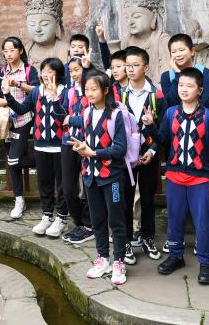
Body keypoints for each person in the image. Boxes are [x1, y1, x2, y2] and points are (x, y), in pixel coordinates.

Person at [144, 67, 209, 285]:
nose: (184, 89)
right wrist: (151, 126)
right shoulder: (171, 113)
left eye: (189, 86)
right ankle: (176, 256)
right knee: (175, 218)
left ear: (200, 90)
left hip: (201, 178)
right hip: (175, 175)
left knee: (202, 222)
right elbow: (162, 140)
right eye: (181, 85)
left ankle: (206, 262)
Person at [0, 57, 68, 238]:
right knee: (44, 182)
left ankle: (61, 218)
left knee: (61, 184)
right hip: (41, 144)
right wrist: (7, 94)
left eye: (50, 71)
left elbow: (64, 118)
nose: (45, 75)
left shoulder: (66, 93)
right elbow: (21, 109)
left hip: (60, 146)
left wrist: (55, 98)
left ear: (58, 74)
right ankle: (47, 215)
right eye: (43, 71)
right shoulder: (36, 92)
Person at [71, 71, 130, 286]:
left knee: (116, 220)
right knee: (97, 220)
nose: (89, 93)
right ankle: (103, 258)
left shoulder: (117, 115)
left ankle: (119, 261)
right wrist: (81, 146)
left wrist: (93, 153)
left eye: (94, 89)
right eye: (86, 89)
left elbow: (120, 148)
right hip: (91, 176)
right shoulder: (87, 112)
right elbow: (88, 140)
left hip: (112, 176)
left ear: (106, 90)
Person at [121, 46, 166, 263]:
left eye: (135, 65)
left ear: (146, 67)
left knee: (148, 199)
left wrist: (152, 150)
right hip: (125, 158)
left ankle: (148, 237)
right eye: (128, 65)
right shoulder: (119, 95)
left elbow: (164, 132)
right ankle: (126, 241)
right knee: (125, 199)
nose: (130, 69)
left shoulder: (157, 96)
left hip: (148, 155)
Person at [0, 37, 40, 220]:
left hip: (24, 120)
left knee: (13, 160)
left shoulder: (29, 70)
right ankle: (19, 199)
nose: (8, 54)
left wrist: (18, 84)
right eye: (5, 51)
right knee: (12, 162)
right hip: (6, 122)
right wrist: (7, 100)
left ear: (20, 50)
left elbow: (37, 91)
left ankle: (44, 160)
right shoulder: (1, 71)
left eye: (12, 50)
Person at [60, 58, 95, 245]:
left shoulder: (92, 91)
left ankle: (89, 225)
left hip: (87, 143)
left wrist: (71, 119)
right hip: (68, 141)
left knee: (89, 186)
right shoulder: (69, 91)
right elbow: (62, 116)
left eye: (77, 69)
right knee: (68, 188)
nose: (73, 74)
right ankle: (80, 223)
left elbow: (93, 118)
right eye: (71, 70)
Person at [160, 34, 209, 109]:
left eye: (181, 50)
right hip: (175, 116)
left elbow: (205, 102)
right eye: (174, 52)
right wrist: (177, 74)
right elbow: (170, 103)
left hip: (201, 115)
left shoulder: (204, 73)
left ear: (192, 51)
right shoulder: (167, 76)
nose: (178, 55)